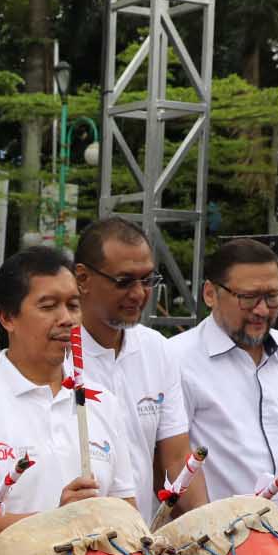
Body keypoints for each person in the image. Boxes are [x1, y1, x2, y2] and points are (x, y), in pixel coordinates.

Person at [0, 246, 140, 541]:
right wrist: (57, 520)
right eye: (48, 307)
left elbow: (126, 509)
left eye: (73, 305)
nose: (66, 319)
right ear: (7, 317)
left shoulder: (101, 401)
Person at [166, 237, 278, 501]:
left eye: (273, 297)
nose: (263, 310)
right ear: (210, 294)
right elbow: (171, 461)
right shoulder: (176, 358)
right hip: (220, 534)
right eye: (249, 297)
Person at [74, 217, 194, 520]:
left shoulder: (158, 348)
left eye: (148, 280)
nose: (139, 294)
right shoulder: (55, 352)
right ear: (83, 279)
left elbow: (178, 458)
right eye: (124, 281)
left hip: (140, 543)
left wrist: (206, 525)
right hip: (70, 539)